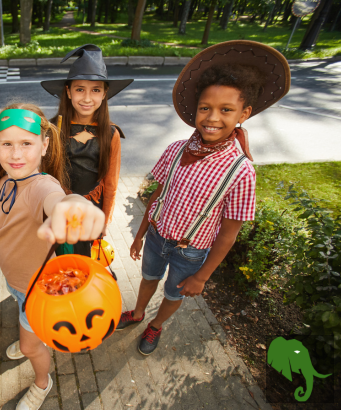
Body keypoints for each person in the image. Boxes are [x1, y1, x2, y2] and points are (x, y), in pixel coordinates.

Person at [116, 41, 291, 356]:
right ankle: (139, 312)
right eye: (205, 108)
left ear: (244, 113)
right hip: (157, 237)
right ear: (195, 110)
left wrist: (204, 276)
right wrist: (141, 233)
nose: (213, 117)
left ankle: (155, 326)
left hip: (191, 252)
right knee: (148, 277)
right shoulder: (176, 149)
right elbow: (158, 194)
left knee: (174, 293)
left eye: (226, 110)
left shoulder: (241, 171)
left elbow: (229, 232)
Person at [0, 103, 105, 410]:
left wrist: (73, 206)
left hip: (36, 291)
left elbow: (58, 201)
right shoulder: (5, 180)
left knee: (30, 347)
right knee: (23, 315)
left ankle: (41, 382)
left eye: (26, 143)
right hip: (16, 283)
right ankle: (31, 335)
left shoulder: (42, 186)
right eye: (7, 144)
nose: (15, 155)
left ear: (44, 145)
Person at [41, 44, 132, 256]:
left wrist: (104, 220)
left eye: (96, 90)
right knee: (58, 256)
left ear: (104, 94)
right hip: (58, 206)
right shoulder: (52, 128)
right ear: (68, 91)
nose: (87, 98)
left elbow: (110, 183)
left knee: (81, 261)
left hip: (90, 210)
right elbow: (43, 175)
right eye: (80, 89)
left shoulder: (111, 134)